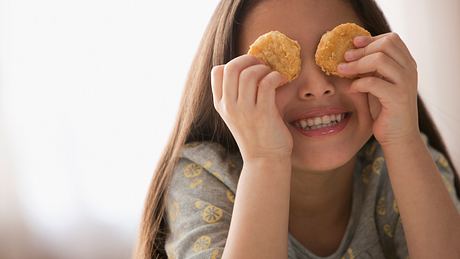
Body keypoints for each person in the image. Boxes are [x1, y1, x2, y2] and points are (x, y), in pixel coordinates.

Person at [134, 0, 460, 258]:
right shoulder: (204, 174)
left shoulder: (400, 160)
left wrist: (403, 138)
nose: (317, 87)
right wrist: (265, 159)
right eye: (272, 69)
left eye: (344, 55)